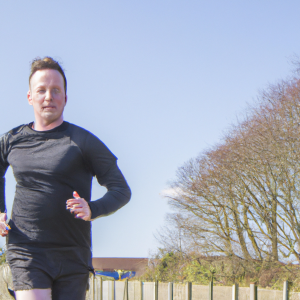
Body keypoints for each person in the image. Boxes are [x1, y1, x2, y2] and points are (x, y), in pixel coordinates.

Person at [0, 57, 131, 300]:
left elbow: (121, 190)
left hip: (72, 255)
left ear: (65, 98)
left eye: (55, 90)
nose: (48, 96)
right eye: (41, 90)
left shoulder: (83, 141)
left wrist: (93, 208)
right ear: (30, 97)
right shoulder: (11, 140)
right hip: (26, 250)